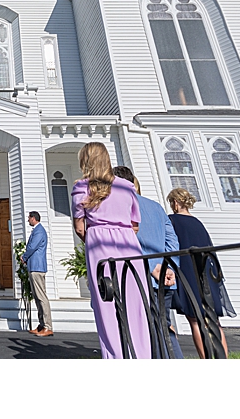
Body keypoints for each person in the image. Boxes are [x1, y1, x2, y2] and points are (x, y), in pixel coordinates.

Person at [72, 144, 151, 359]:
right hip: (127, 241)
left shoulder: (82, 187)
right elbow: (135, 223)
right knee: (135, 301)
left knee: (106, 304)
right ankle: (142, 355)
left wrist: (95, 237)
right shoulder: (126, 186)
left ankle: (115, 356)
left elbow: (80, 227)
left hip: (98, 241)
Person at [118, 166, 183, 359]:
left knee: (143, 332)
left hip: (139, 277)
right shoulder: (156, 207)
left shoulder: (122, 209)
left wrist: (151, 266)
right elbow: (172, 241)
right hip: (164, 278)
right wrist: (169, 267)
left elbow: (126, 243)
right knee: (165, 329)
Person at [166, 187, 230, 358]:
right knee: (214, 321)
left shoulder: (171, 220)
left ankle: (205, 359)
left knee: (195, 320)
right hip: (207, 274)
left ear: (176, 202)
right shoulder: (198, 223)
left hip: (188, 273)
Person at [21, 211, 53, 337]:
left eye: (29, 218)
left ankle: (47, 326)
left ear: (33, 218)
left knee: (41, 297)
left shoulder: (39, 231)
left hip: (37, 267)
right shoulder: (36, 230)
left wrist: (24, 257)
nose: (28, 220)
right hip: (33, 266)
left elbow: (32, 247)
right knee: (37, 297)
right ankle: (41, 324)